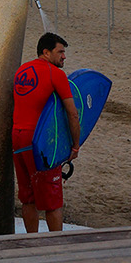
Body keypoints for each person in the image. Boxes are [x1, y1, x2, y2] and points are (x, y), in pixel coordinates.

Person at [11, 32, 81, 233]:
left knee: (28, 196)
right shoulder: (55, 74)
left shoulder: (21, 71)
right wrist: (75, 145)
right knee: (52, 199)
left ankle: (32, 243)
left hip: (17, 137)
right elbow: (72, 113)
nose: (64, 57)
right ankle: (55, 244)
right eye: (60, 52)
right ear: (46, 52)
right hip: (40, 143)